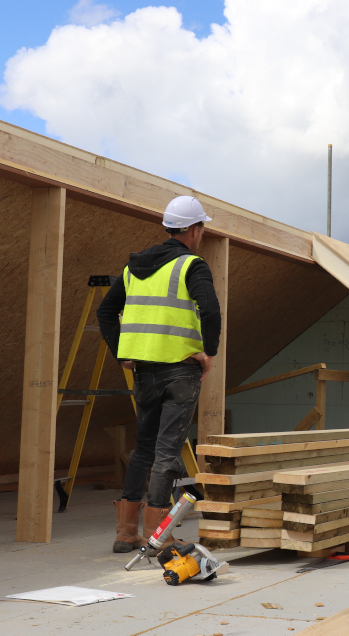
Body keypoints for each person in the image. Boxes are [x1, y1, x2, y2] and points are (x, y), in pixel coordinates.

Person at [98, 196, 222, 554]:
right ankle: (158, 537)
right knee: (168, 454)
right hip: (181, 372)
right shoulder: (191, 266)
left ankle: (126, 532)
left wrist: (121, 353)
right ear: (196, 230)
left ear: (169, 227)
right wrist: (209, 352)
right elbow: (210, 311)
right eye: (202, 229)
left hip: (145, 373)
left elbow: (106, 313)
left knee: (143, 451)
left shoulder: (132, 268)